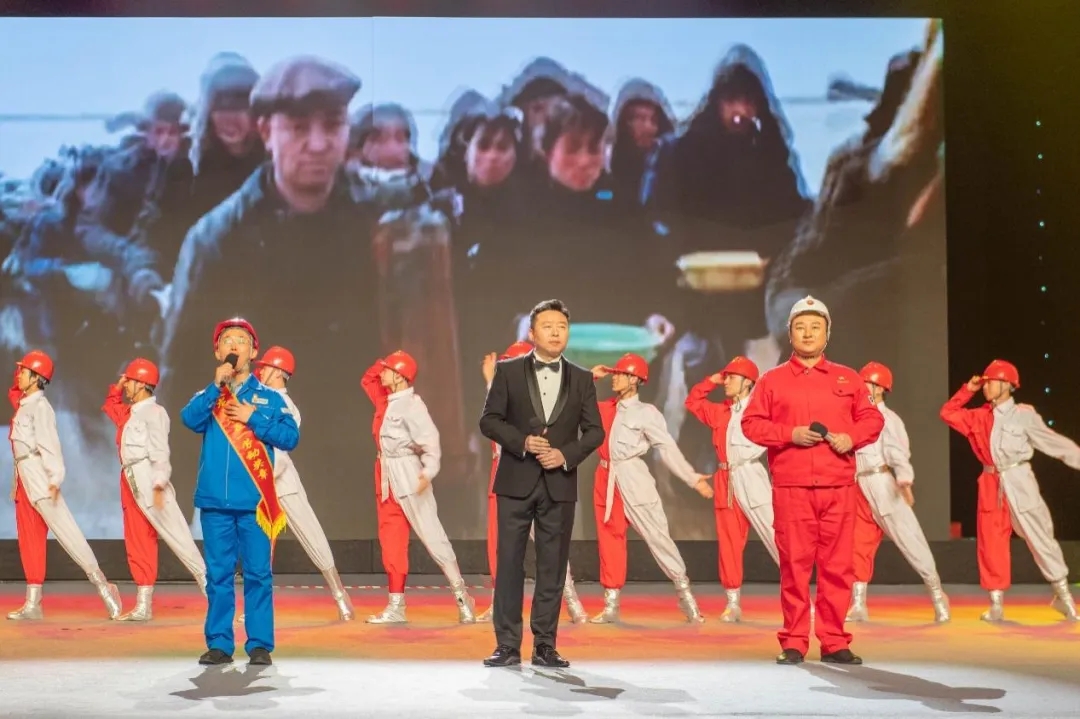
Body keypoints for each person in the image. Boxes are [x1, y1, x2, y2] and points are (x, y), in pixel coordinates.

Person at [742, 296, 884, 665]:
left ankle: (834, 641)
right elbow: (751, 424)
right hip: (792, 489)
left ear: (827, 333)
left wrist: (851, 437)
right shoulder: (771, 380)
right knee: (795, 567)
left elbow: (872, 419)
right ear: (789, 334)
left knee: (838, 568)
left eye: (815, 327)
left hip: (838, 488)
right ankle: (793, 641)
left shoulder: (848, 378)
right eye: (801, 327)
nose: (808, 334)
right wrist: (789, 434)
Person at [479, 299, 604, 668]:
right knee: (509, 565)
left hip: (558, 482)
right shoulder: (508, 371)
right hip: (515, 480)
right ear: (532, 333)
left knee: (553, 566)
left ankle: (545, 645)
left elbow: (594, 431)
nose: (555, 332)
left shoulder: (581, 378)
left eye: (561, 327)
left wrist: (565, 455)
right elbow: (489, 421)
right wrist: (522, 442)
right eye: (548, 326)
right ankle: (506, 645)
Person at [181, 317, 299, 666]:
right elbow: (189, 419)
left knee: (258, 574)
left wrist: (254, 418)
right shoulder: (209, 395)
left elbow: (290, 437)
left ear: (254, 351)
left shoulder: (270, 399)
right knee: (218, 575)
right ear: (218, 352)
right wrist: (214, 387)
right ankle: (219, 643)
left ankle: (259, 644)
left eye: (242, 340)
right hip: (214, 502)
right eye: (227, 340)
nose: (234, 345)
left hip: (255, 504)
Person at [939, 360, 1078, 621]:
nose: (985, 387)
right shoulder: (979, 416)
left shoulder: (1024, 415)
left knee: (1040, 535)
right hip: (990, 482)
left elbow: (1052, 442)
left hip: (1019, 479)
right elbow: (947, 413)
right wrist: (967, 390)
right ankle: (996, 605)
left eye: (990, 382)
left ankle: (1063, 596)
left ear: (1006, 385)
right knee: (991, 542)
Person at [589, 353, 713, 624]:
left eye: (621, 374)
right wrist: (590, 379)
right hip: (606, 478)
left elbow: (666, 448)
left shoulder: (647, 413)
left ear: (635, 379)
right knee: (609, 541)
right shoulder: (604, 407)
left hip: (634, 477)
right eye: (615, 373)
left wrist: (692, 478)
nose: (615, 378)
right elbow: (572, 403)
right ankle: (611, 605)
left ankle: (686, 596)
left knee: (658, 536)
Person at [361, 350, 476, 624]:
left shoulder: (413, 405)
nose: (382, 373)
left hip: (409, 474)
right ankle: (396, 605)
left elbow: (431, 442)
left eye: (388, 370)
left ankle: (462, 596)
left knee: (432, 535)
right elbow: (368, 379)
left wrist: (428, 472)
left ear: (400, 376)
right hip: (386, 475)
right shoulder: (385, 400)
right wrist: (386, 361)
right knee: (392, 541)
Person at [477, 340, 588, 624]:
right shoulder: (505, 392)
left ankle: (572, 602)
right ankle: (499, 604)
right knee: (503, 548)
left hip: (536, 473)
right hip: (506, 473)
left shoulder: (534, 403)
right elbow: (493, 419)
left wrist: (490, 381)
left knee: (551, 549)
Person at [7, 350, 123, 620]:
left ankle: (104, 586)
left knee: (68, 533)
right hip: (23, 476)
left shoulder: (40, 407)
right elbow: (14, 392)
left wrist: (55, 478)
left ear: (36, 378)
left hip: (40, 476)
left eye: (24, 371)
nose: (19, 375)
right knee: (30, 540)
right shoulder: (24, 404)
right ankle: (33, 603)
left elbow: (50, 446)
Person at [101, 358, 208, 621]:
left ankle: (215, 595)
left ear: (142, 384)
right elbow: (112, 406)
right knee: (138, 541)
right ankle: (143, 605)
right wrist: (117, 388)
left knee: (180, 539)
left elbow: (160, 451)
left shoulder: (155, 412)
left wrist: (160, 482)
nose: (126, 385)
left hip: (150, 479)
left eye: (130, 381)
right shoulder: (130, 414)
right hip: (130, 480)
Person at [254, 345, 354, 622]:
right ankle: (257, 605)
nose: (260, 371)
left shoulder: (286, 405)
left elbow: (281, 445)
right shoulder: (257, 398)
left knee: (311, 534)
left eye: (266, 367)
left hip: (282, 479)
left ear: (277, 371)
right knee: (258, 544)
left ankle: (339, 594)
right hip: (258, 481)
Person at [847, 361, 949, 623]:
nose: (863, 388)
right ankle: (858, 603)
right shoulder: (854, 418)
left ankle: (937, 594)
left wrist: (904, 480)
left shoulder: (888, 419)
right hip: (859, 485)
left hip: (882, 483)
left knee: (909, 539)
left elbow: (898, 452)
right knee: (858, 544)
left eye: (868, 383)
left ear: (880, 389)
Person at [685, 356, 779, 622]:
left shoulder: (761, 410)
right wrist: (711, 380)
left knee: (777, 537)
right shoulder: (721, 412)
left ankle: (802, 599)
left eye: (731, 377)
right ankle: (733, 603)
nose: (726, 382)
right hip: (726, 478)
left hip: (751, 475)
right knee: (729, 544)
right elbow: (693, 402)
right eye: (725, 377)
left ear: (748, 382)